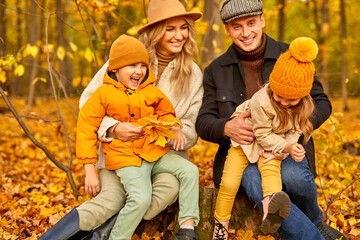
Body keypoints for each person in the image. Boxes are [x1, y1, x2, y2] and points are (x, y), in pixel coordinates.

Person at [39, 0, 203, 239]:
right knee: (111, 199)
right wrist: (114, 128)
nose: (179, 35)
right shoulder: (126, 57)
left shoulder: (193, 73)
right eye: (170, 29)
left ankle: (103, 235)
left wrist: (164, 131)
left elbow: (190, 125)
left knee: (166, 188)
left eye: (184, 28)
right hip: (118, 153)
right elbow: (88, 103)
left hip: (160, 154)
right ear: (156, 30)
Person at [195, 0, 347, 239]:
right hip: (243, 151)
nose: (246, 33)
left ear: (263, 20)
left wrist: (293, 130)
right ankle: (312, 235)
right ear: (227, 29)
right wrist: (226, 127)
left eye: (251, 23)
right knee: (257, 185)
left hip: (285, 143)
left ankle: (314, 220)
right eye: (237, 27)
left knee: (293, 176)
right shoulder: (216, 69)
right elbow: (203, 122)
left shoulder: (291, 58)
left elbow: (322, 103)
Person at [75, 34, 200, 240]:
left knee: (190, 171)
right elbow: (86, 127)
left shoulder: (150, 91)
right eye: (132, 66)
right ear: (115, 68)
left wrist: (175, 126)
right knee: (141, 198)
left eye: (143, 65)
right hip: (126, 158)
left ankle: (187, 229)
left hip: (154, 152)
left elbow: (166, 113)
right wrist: (89, 169)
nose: (139, 71)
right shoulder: (103, 94)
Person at [213, 37, 319, 239]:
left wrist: (289, 148)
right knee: (229, 182)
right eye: (280, 96)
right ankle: (221, 224)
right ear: (273, 87)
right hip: (246, 142)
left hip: (271, 146)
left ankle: (271, 208)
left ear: (303, 97)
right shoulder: (261, 101)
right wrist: (285, 147)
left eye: (292, 99)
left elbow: (294, 131)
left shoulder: (303, 106)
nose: (285, 103)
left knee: (271, 173)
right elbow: (261, 135)